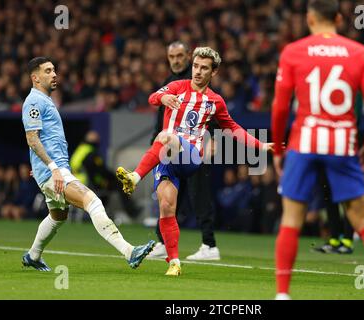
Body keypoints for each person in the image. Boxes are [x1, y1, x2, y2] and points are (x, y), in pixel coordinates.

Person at [271, 0, 364, 300]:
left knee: (291, 220)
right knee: (362, 218)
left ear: (309, 18)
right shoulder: (359, 52)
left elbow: (280, 107)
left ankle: (282, 294)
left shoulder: (293, 51)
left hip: (304, 142)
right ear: (337, 18)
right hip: (342, 143)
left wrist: (279, 148)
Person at [116, 47, 274, 276]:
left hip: (190, 155)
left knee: (166, 136)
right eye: (196, 66)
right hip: (166, 158)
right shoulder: (177, 86)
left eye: (204, 68)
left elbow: (233, 128)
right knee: (166, 208)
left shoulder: (215, 101)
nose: (198, 72)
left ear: (214, 72)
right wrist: (163, 96)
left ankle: (135, 176)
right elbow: (152, 98)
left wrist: (260, 145)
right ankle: (174, 262)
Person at [21, 57, 155, 272]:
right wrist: (51, 168)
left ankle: (33, 255)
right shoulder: (34, 102)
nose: (54, 74)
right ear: (35, 78)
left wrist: (40, 166)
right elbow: (32, 138)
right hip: (54, 172)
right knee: (92, 202)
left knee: (58, 216)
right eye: (47, 71)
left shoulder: (45, 101)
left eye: (54, 69)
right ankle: (130, 251)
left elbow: (39, 140)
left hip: (50, 170)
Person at [148, 41, 221, 261]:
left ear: (188, 56)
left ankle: (209, 244)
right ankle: (162, 241)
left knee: (199, 195)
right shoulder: (170, 83)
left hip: (194, 147)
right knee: (169, 197)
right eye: (172, 57)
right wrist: (155, 141)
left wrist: (212, 140)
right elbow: (161, 117)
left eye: (180, 56)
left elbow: (212, 113)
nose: (176, 60)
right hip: (169, 147)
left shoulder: (195, 85)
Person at [70, 130, 141, 220]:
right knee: (119, 185)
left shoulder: (81, 149)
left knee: (108, 188)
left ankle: (101, 215)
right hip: (88, 183)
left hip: (76, 181)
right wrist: (115, 177)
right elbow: (101, 170)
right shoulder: (91, 153)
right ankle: (132, 211)